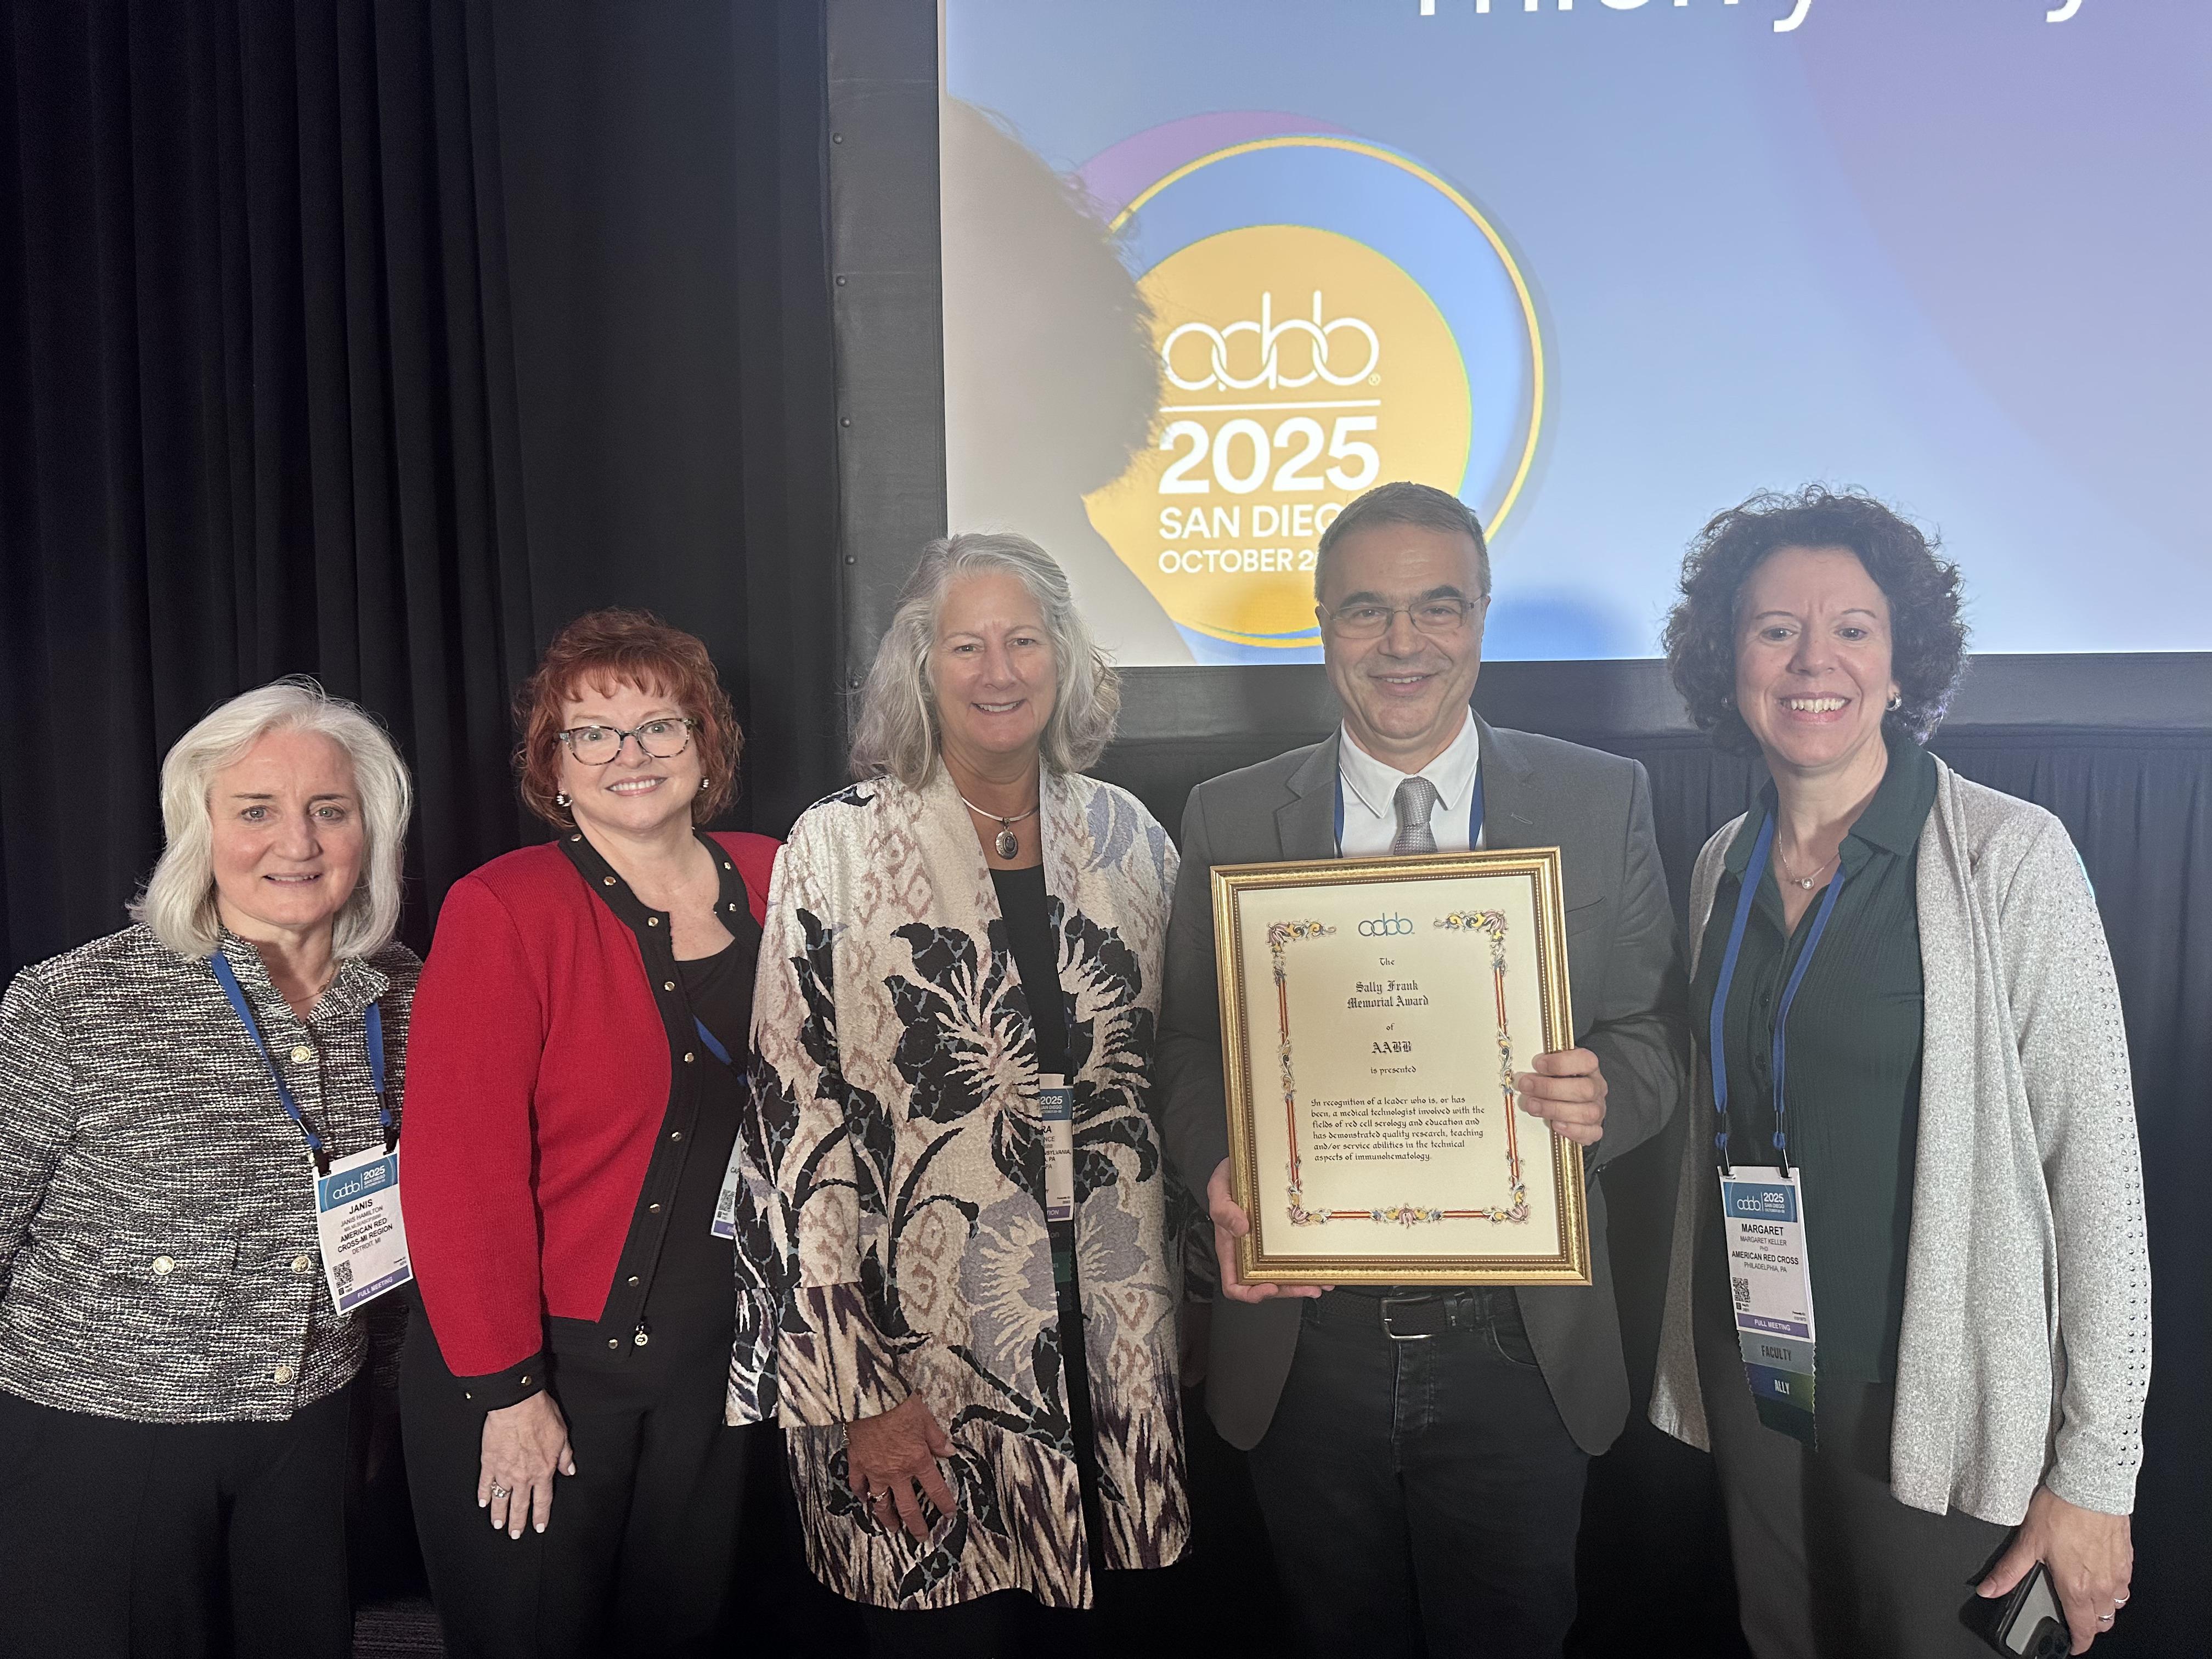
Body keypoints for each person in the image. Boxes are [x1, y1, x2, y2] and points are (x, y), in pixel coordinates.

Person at [1156, 481, 1689, 1657]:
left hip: (1522, 1342)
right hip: (1308, 1344)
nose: (1404, 644)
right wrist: (1220, 1167)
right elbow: (1188, 1042)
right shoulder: (1230, 816)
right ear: (1323, 625)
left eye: (1437, 607)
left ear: (1482, 616)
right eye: (1367, 611)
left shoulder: (1600, 799)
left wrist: (1610, 1091)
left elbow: (1653, 1026)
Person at [1647, 487, 2149, 1658]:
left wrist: (2098, 1473)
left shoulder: (2008, 857)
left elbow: (2099, 1184)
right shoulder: (1723, 863)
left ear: (1900, 659)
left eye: (1853, 629)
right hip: (1761, 1371)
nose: (1812, 661)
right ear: (1728, 660)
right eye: (1775, 629)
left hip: (1935, 1397)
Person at [725, 532, 1189, 1652]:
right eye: (966, 645)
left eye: (1024, 640)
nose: (999, 671)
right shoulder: (836, 845)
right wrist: (857, 1391)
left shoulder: (1132, 840)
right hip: (914, 1367)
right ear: (919, 667)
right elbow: (795, 1127)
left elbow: (1182, 1079)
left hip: (1116, 1356)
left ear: (1064, 657)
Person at [0, 679, 418, 1659]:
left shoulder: (409, 994)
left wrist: (386, 1409)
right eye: (256, 811)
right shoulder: (74, 1001)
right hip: (106, 1433)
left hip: (313, 1427)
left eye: (329, 809)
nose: (297, 843)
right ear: (200, 829)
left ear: (371, 830)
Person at [398, 611, 779, 1658]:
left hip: (719, 1373)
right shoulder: (505, 908)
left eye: (660, 726)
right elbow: (456, 1172)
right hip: (547, 1375)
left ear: (705, 744)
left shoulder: (782, 874)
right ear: (554, 767)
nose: (630, 754)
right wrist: (508, 1390)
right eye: (593, 734)